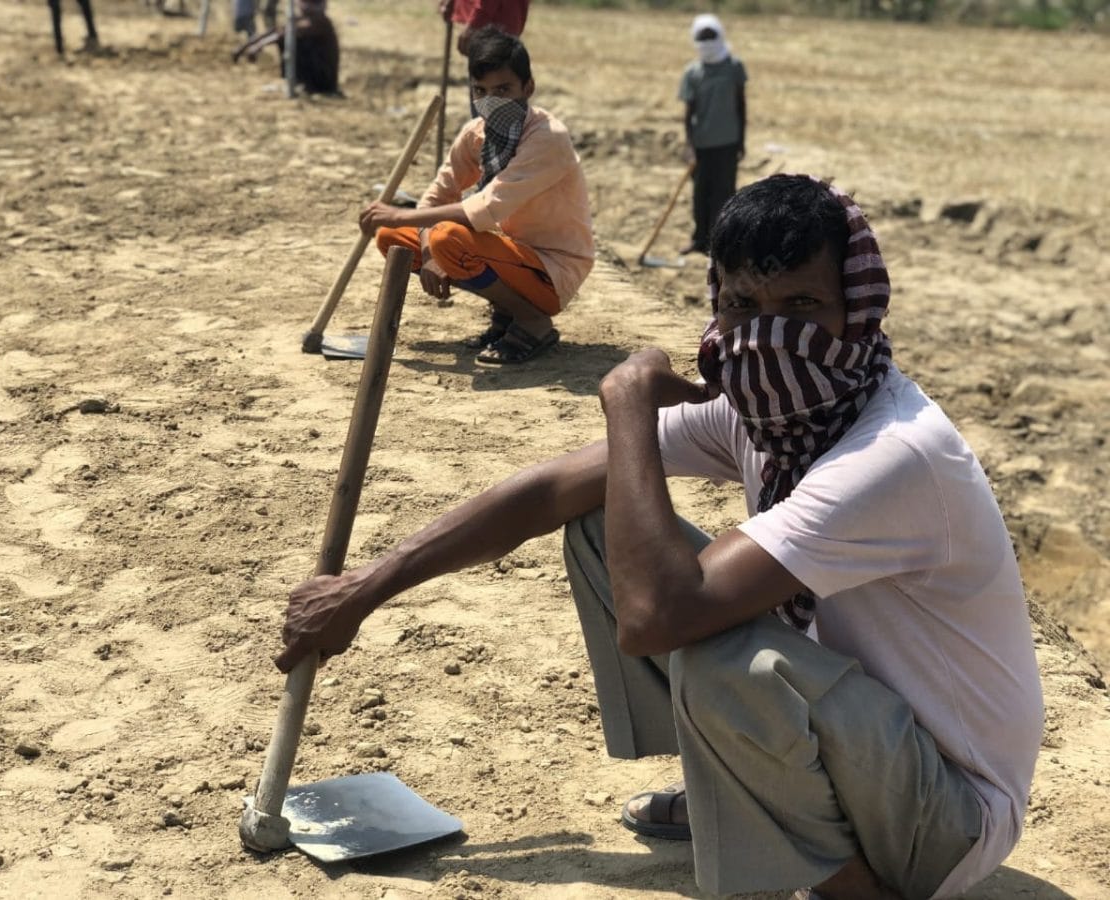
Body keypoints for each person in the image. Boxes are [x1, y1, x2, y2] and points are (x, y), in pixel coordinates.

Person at [279, 174, 1044, 899]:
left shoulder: (893, 454)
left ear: (858, 309)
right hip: (871, 745)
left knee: (721, 659)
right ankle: (735, 789)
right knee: (602, 523)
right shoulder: (770, 414)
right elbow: (546, 493)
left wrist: (628, 404)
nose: (769, 335)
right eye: (743, 305)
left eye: (803, 305)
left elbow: (657, 617)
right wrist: (365, 588)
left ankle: (849, 886)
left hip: (947, 819)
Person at [359, 26, 593, 365]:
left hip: (553, 269)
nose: (491, 101)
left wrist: (398, 214)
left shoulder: (547, 137)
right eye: (481, 91)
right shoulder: (476, 134)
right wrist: (428, 253)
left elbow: (483, 208)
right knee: (394, 239)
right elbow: (436, 198)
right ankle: (506, 310)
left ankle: (532, 321)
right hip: (508, 254)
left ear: (528, 88)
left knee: (447, 237)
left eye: (503, 89)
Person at [678, 13, 746, 257]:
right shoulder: (692, 72)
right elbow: (688, 113)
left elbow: (741, 105)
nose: (706, 42)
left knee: (724, 194)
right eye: (702, 37)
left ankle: (719, 243)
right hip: (702, 144)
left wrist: (741, 141)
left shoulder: (734, 68)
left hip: (728, 143)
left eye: (710, 36)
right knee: (700, 195)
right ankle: (699, 240)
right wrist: (689, 145)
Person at [232, 0, 340, 97]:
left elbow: (285, 34)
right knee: (287, 37)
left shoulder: (320, 22)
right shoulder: (303, 19)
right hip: (316, 76)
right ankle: (299, 82)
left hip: (323, 81)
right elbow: (276, 30)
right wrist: (245, 46)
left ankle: (305, 84)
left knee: (289, 39)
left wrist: (258, 46)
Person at [439, 0, 529, 55]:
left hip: (497, 28)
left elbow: (486, 5)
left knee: (491, 74)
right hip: (506, 24)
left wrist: (472, 28)